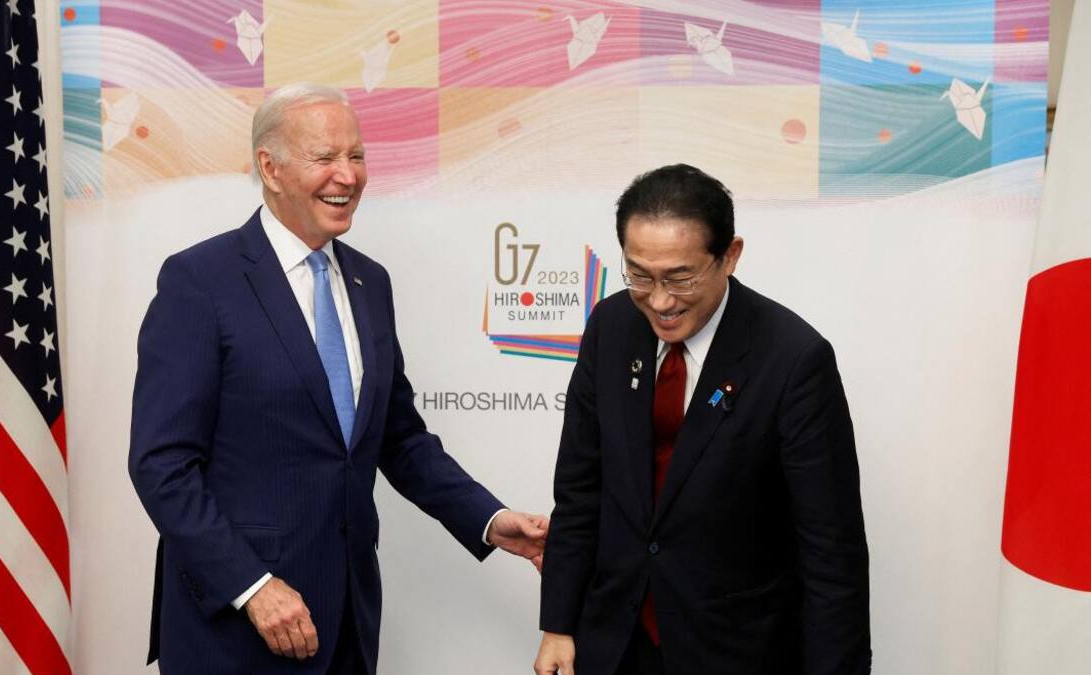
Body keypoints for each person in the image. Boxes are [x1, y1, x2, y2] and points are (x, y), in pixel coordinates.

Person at [129, 82, 547, 675]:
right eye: (325, 158)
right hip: (237, 625)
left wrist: (490, 519)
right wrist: (252, 586)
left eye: (357, 156)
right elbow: (161, 464)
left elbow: (399, 439)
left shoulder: (368, 283)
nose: (348, 176)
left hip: (346, 618)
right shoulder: (200, 280)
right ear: (269, 168)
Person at [534, 164, 870, 675]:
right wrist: (558, 623)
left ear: (729, 256)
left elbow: (831, 555)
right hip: (615, 642)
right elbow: (581, 491)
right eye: (640, 275)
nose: (661, 301)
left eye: (680, 278)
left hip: (736, 651)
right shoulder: (611, 327)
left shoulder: (793, 360)